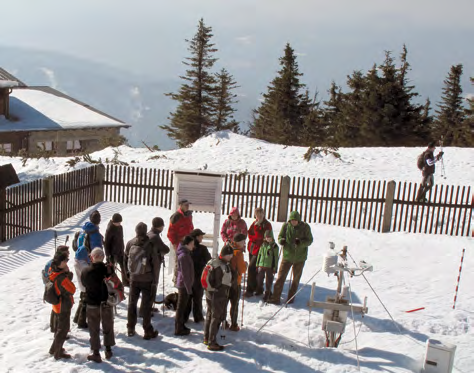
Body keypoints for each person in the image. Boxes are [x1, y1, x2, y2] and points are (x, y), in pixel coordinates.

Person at [268, 211, 313, 305]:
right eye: (292, 220)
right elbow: (280, 237)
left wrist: (300, 243)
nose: (293, 222)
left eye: (295, 220)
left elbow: (309, 240)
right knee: (281, 277)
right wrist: (282, 241)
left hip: (299, 257)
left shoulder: (305, 227)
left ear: (298, 220)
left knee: (295, 279)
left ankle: (291, 298)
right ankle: (275, 297)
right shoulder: (286, 226)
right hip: (287, 256)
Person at [124, 222, 160, 340]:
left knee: (132, 303)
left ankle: (130, 327)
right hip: (147, 278)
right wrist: (155, 279)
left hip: (134, 278)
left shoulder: (130, 243)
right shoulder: (150, 245)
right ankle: (147, 329)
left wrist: (127, 274)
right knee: (146, 304)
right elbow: (155, 263)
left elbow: (125, 259)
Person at [81, 248, 115, 363]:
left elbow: (84, 284)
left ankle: (96, 353)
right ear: (103, 257)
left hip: (92, 302)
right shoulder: (107, 270)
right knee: (108, 326)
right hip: (105, 301)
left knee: (94, 328)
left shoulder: (86, 271)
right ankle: (108, 349)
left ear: (92, 257)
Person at [203, 245, 234, 351]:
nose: (230, 257)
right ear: (225, 255)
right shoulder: (221, 266)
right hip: (218, 294)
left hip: (209, 293)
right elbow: (219, 282)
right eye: (229, 255)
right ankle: (212, 342)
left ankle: (206, 337)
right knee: (216, 317)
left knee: (209, 314)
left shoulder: (212, 262)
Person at [49, 251, 76, 360]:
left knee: (58, 328)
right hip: (63, 306)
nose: (66, 262)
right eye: (65, 260)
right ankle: (58, 352)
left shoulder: (52, 271)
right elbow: (72, 289)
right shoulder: (62, 278)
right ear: (60, 263)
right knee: (63, 329)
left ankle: (54, 348)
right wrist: (68, 273)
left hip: (56, 305)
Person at [144, 217, 170, 316]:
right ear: (160, 226)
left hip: (147, 265)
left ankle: (147, 307)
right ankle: (148, 308)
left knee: (148, 286)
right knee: (153, 285)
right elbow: (166, 249)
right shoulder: (155, 237)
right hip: (153, 265)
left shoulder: (148, 234)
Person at [185, 228, 211, 323]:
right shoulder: (203, 249)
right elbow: (209, 260)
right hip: (198, 275)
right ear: (196, 237)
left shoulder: (187, 247)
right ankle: (198, 316)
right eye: (201, 236)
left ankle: (184, 316)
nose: (202, 238)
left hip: (188, 276)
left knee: (187, 298)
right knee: (197, 298)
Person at [42, 245, 70, 334]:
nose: (69, 254)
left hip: (53, 288)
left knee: (55, 309)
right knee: (58, 311)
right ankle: (58, 329)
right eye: (67, 252)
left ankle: (54, 327)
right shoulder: (55, 264)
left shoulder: (55, 262)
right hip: (56, 289)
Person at [245, 207, 272, 297]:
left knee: (251, 267)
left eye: (260, 214)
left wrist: (256, 235)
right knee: (255, 269)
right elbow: (250, 233)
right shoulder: (254, 223)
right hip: (252, 248)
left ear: (263, 214)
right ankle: (257, 287)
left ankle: (250, 289)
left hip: (260, 250)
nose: (259, 217)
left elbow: (263, 237)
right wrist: (253, 239)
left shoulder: (266, 225)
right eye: (257, 215)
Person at [167, 199, 194, 284]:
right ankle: (176, 280)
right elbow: (170, 233)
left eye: (188, 204)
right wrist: (174, 243)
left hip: (189, 243)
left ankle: (185, 280)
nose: (187, 206)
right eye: (185, 205)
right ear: (181, 205)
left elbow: (191, 228)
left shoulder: (189, 216)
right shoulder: (176, 217)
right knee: (179, 263)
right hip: (180, 244)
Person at [226, 233, 248, 332]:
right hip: (236, 282)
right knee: (234, 304)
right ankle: (234, 324)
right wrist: (246, 265)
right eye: (243, 241)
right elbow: (242, 269)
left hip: (225, 281)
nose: (244, 243)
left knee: (224, 302)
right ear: (239, 242)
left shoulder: (228, 248)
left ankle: (223, 321)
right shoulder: (238, 253)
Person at [175, 236, 195, 336]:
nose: (193, 246)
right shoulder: (184, 256)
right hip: (184, 285)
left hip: (184, 284)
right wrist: (188, 288)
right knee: (181, 307)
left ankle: (181, 325)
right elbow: (185, 274)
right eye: (192, 243)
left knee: (182, 307)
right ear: (187, 244)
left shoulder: (186, 254)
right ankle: (179, 328)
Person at [104, 213, 128, 286]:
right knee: (112, 270)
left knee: (124, 266)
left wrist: (122, 248)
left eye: (120, 222)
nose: (119, 224)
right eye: (118, 222)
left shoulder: (120, 227)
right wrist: (108, 255)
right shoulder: (110, 229)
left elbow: (121, 239)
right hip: (112, 253)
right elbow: (106, 243)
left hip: (120, 251)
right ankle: (113, 283)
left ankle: (125, 282)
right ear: (114, 221)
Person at [256, 230, 279, 302]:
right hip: (261, 264)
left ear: (272, 237)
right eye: (267, 237)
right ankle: (260, 289)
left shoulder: (274, 246)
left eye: (270, 237)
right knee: (259, 278)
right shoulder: (263, 245)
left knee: (269, 280)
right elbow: (259, 255)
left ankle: (268, 293)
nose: (268, 239)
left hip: (269, 266)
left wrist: (275, 267)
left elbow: (276, 258)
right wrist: (257, 264)